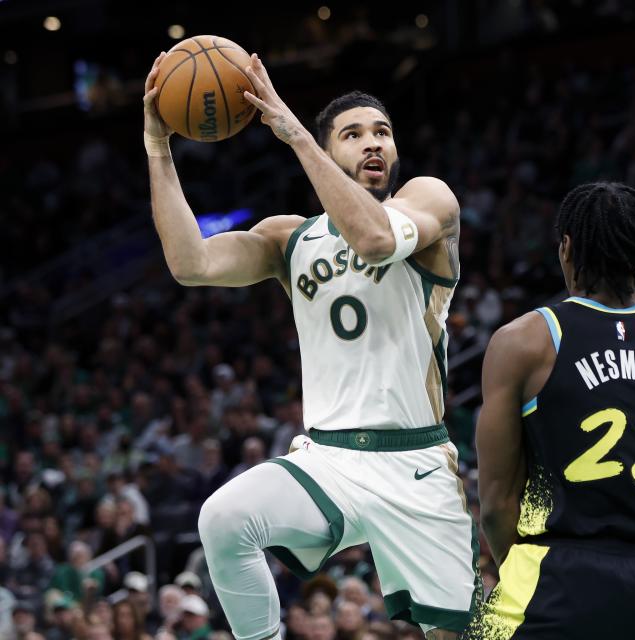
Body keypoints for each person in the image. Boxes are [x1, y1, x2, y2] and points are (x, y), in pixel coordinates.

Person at [143, 51, 477, 640]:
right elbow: (190, 263)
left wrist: (295, 134)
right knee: (223, 517)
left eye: (382, 132)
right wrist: (158, 147)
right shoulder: (289, 236)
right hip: (329, 459)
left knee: (453, 634)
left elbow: (375, 239)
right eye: (352, 135)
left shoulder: (429, 201)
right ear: (330, 150)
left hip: (415, 463)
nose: (373, 143)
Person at [468, 183, 635, 638]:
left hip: (559, 568)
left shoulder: (526, 340)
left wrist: (523, 570)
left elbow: (497, 506)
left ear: (567, 248)